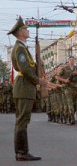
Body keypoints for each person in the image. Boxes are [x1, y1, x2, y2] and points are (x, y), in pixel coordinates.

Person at [9, 16, 47, 161]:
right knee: (22, 120)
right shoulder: (19, 48)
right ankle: (21, 152)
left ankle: (22, 151)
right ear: (20, 32)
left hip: (25, 86)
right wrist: (39, 81)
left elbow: (30, 67)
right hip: (24, 86)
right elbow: (25, 69)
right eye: (25, 28)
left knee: (23, 120)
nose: (27, 30)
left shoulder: (23, 47)